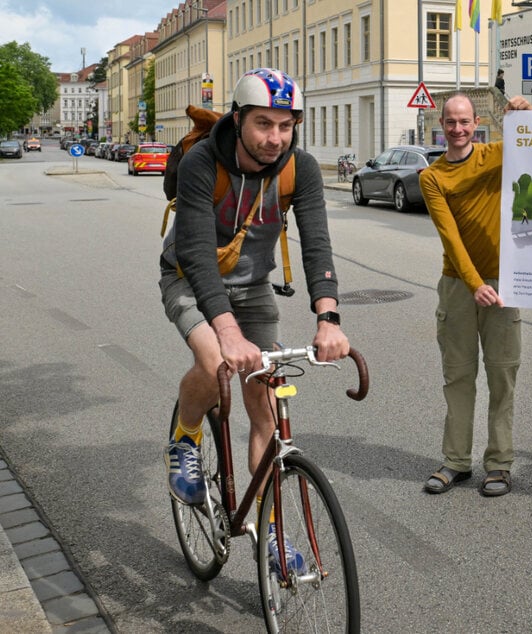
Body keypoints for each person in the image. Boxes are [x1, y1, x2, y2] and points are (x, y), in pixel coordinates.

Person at [159, 68, 349, 572]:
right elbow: (197, 253)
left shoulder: (299, 169)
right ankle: (185, 435)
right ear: (238, 119)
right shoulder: (204, 161)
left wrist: (328, 317)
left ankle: (268, 532)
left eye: (286, 126)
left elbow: (317, 242)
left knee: (265, 404)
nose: (275, 138)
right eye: (264, 124)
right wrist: (225, 331)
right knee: (214, 360)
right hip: (187, 277)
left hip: (253, 287)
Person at [419, 92, 532, 497]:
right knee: (459, 375)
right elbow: (450, 239)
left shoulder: (495, 155)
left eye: (464, 122)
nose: (457, 130)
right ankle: (455, 461)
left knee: (502, 374)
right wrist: (475, 284)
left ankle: (499, 465)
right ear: (441, 125)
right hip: (458, 286)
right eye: (450, 122)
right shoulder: (432, 177)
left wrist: (528, 114)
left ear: (476, 122)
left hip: (504, 284)